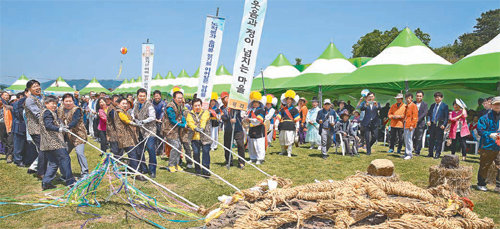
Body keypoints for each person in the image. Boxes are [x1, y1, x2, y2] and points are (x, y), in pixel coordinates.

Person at [39, 95, 76, 190]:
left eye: (56, 103)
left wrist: (62, 127)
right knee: (65, 159)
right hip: (53, 142)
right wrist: (59, 129)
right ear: (46, 104)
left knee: (53, 162)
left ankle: (46, 182)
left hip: (47, 143)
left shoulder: (50, 112)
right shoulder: (47, 112)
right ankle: (70, 181)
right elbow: (48, 125)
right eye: (52, 103)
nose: (54, 105)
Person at [58, 93, 89, 177]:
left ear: (73, 101)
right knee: (63, 154)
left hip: (79, 135)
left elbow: (75, 121)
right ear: (63, 102)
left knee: (79, 153)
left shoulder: (77, 110)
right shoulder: (60, 109)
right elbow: (58, 119)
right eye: (66, 101)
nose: (68, 103)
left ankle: (85, 172)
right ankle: (64, 173)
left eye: (70, 101)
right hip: (68, 136)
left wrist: (67, 126)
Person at [114, 98, 145, 181]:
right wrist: (135, 124)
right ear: (119, 104)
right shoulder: (119, 112)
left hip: (129, 136)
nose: (125, 105)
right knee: (132, 155)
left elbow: (130, 118)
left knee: (134, 153)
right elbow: (126, 120)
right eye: (123, 103)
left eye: (126, 103)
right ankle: (136, 173)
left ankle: (132, 169)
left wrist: (137, 121)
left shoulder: (125, 112)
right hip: (124, 137)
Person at [132, 88, 158, 178]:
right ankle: (144, 167)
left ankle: (152, 170)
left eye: (144, 96)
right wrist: (135, 120)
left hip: (149, 130)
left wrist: (143, 121)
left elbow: (152, 117)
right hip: (140, 131)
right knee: (140, 150)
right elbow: (132, 114)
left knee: (151, 149)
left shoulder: (149, 105)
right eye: (140, 96)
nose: (142, 98)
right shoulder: (135, 104)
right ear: (137, 96)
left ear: (146, 96)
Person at [476, 96, 500, 192]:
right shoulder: (484, 117)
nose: (498, 106)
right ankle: (481, 183)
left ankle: (498, 185)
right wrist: (489, 134)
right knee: (485, 165)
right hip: (487, 145)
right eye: (496, 104)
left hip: (499, 145)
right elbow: (480, 130)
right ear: (491, 105)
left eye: (499, 104)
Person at [162, 87, 187, 172]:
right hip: (169, 130)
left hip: (176, 129)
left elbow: (181, 116)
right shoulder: (170, 107)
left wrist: (184, 122)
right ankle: (171, 165)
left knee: (179, 146)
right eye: (178, 98)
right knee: (175, 146)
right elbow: (172, 120)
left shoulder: (180, 106)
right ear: (174, 98)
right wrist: (183, 125)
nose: (180, 100)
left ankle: (177, 164)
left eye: (181, 98)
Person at [24, 80, 45, 176]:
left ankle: (36, 168)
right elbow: (38, 114)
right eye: (34, 86)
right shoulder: (29, 100)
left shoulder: (39, 98)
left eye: (38, 86)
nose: (37, 88)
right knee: (43, 149)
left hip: (41, 129)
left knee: (44, 149)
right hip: (35, 129)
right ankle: (40, 172)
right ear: (29, 89)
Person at [186, 98, 212, 176]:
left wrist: (202, 128)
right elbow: (190, 122)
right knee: (196, 153)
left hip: (205, 137)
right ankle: (197, 169)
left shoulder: (206, 112)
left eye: (199, 105)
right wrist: (195, 128)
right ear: (192, 106)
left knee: (206, 153)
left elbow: (204, 120)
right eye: (195, 106)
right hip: (195, 137)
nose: (197, 107)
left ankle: (206, 170)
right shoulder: (189, 114)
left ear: (201, 105)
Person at [220, 92, 245, 169]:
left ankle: (241, 162)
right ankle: (229, 161)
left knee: (240, 145)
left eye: (225, 98)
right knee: (227, 146)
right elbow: (223, 117)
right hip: (228, 129)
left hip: (238, 128)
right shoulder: (221, 108)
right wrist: (229, 119)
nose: (224, 100)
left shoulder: (235, 105)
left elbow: (240, 111)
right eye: (222, 99)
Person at [276, 90, 300, 157]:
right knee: (282, 139)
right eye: (287, 99)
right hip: (283, 126)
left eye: (290, 99)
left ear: (292, 100)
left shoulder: (295, 110)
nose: (288, 101)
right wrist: (276, 123)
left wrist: (297, 127)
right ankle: (283, 151)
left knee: (289, 139)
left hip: (290, 126)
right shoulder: (283, 109)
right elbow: (279, 117)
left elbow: (297, 119)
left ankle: (289, 152)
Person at [245, 91, 266, 165]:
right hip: (251, 128)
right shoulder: (250, 111)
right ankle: (253, 157)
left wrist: (249, 120)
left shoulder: (261, 110)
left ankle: (260, 158)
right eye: (253, 102)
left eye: (256, 102)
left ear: (259, 103)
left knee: (259, 144)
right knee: (251, 144)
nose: (255, 103)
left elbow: (259, 120)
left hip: (259, 128)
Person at [427, 92, 449, 159]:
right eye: (436, 97)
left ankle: (437, 154)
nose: (437, 98)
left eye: (438, 97)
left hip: (440, 125)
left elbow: (446, 117)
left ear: (441, 98)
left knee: (439, 140)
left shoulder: (444, 106)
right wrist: (428, 120)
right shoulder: (432, 105)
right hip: (432, 125)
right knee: (431, 139)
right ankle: (430, 153)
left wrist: (444, 125)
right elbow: (429, 114)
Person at [403, 93, 418, 160]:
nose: (408, 99)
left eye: (409, 98)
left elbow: (415, 117)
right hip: (406, 123)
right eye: (406, 98)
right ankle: (406, 153)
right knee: (406, 139)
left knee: (409, 139)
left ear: (412, 98)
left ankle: (409, 154)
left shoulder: (413, 106)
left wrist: (412, 125)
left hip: (410, 125)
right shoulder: (407, 106)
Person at [413, 90, 428, 156]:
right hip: (412, 123)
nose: (418, 97)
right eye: (417, 96)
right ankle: (413, 148)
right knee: (412, 137)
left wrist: (417, 119)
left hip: (420, 123)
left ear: (422, 97)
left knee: (419, 138)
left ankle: (417, 151)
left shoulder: (425, 104)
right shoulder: (413, 103)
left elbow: (424, 113)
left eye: (420, 96)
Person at [152, 90, 165, 155]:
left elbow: (163, 112)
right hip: (153, 121)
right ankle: (155, 150)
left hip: (161, 122)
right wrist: (155, 119)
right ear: (153, 97)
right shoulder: (151, 103)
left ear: (160, 96)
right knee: (154, 136)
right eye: (155, 96)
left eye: (158, 96)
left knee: (160, 136)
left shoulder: (163, 103)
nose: (157, 98)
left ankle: (161, 150)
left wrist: (160, 119)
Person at [0, 95, 13, 163]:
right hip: (1, 124)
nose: (7, 96)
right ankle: (7, 153)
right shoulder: (2, 103)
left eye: (8, 95)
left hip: (8, 123)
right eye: (5, 95)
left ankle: (9, 155)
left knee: (10, 140)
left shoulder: (11, 104)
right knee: (3, 139)